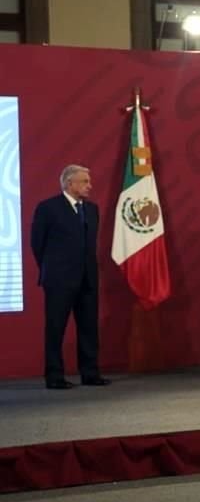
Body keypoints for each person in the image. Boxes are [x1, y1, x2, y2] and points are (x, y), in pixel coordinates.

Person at [30, 165, 109, 389]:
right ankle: (54, 376)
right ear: (69, 184)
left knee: (89, 327)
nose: (89, 185)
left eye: (88, 181)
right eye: (84, 181)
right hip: (59, 280)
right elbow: (37, 243)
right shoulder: (48, 208)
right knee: (56, 328)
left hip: (87, 278)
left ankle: (90, 373)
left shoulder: (92, 209)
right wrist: (51, 269)